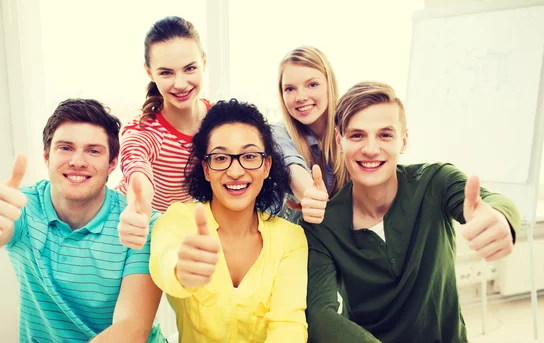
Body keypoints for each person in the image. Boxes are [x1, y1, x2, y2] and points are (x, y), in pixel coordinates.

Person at [303, 82, 519, 343]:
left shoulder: (436, 181)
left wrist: (501, 217)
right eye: (358, 135)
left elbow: (490, 201)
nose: (371, 149)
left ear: (403, 141)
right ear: (340, 141)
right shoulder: (321, 225)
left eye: (385, 135)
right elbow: (320, 314)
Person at [0, 99, 165, 342]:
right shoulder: (22, 207)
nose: (77, 161)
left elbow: (131, 328)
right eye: (65, 148)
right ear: (46, 156)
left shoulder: (139, 223)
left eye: (93, 150)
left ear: (112, 164)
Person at [148, 99, 308, 342]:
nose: (235, 171)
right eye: (221, 158)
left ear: (266, 166)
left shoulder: (290, 238)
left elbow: (289, 328)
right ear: (206, 168)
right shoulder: (179, 219)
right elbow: (164, 259)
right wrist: (181, 270)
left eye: (250, 156)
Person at [116, 16, 212, 251]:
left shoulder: (220, 121)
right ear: (149, 72)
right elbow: (136, 165)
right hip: (133, 229)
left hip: (180, 233)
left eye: (189, 68)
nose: (180, 83)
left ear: (204, 62)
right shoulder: (143, 130)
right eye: (167, 73)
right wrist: (139, 204)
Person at [272, 46, 344, 224]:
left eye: (312, 85)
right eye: (290, 89)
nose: (300, 97)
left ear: (329, 85)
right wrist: (310, 194)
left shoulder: (350, 128)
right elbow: (291, 166)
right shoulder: (277, 132)